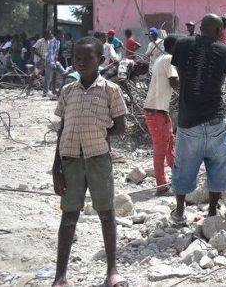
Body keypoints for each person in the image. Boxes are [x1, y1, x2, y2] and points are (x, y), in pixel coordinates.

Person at [51, 36, 128, 287]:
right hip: (70, 160)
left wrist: (100, 132)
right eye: (77, 58)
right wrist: (55, 168)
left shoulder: (110, 90)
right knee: (68, 216)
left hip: (98, 159)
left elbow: (120, 127)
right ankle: (60, 276)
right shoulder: (68, 91)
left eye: (88, 58)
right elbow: (62, 130)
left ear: (101, 60)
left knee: (106, 213)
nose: (81, 63)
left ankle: (112, 272)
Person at [170, 13, 226, 222]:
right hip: (215, 118)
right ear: (219, 30)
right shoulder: (225, 51)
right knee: (218, 166)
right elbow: (219, 82)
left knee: (183, 166)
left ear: (200, 27)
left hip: (188, 119)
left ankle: (179, 211)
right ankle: (212, 211)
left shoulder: (181, 44)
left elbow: (181, 75)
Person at [143, 35, 180, 196]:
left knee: (170, 143)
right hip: (156, 110)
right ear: (174, 47)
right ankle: (161, 185)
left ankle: (178, 177)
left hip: (159, 110)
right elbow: (174, 82)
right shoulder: (169, 59)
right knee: (160, 149)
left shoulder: (160, 59)